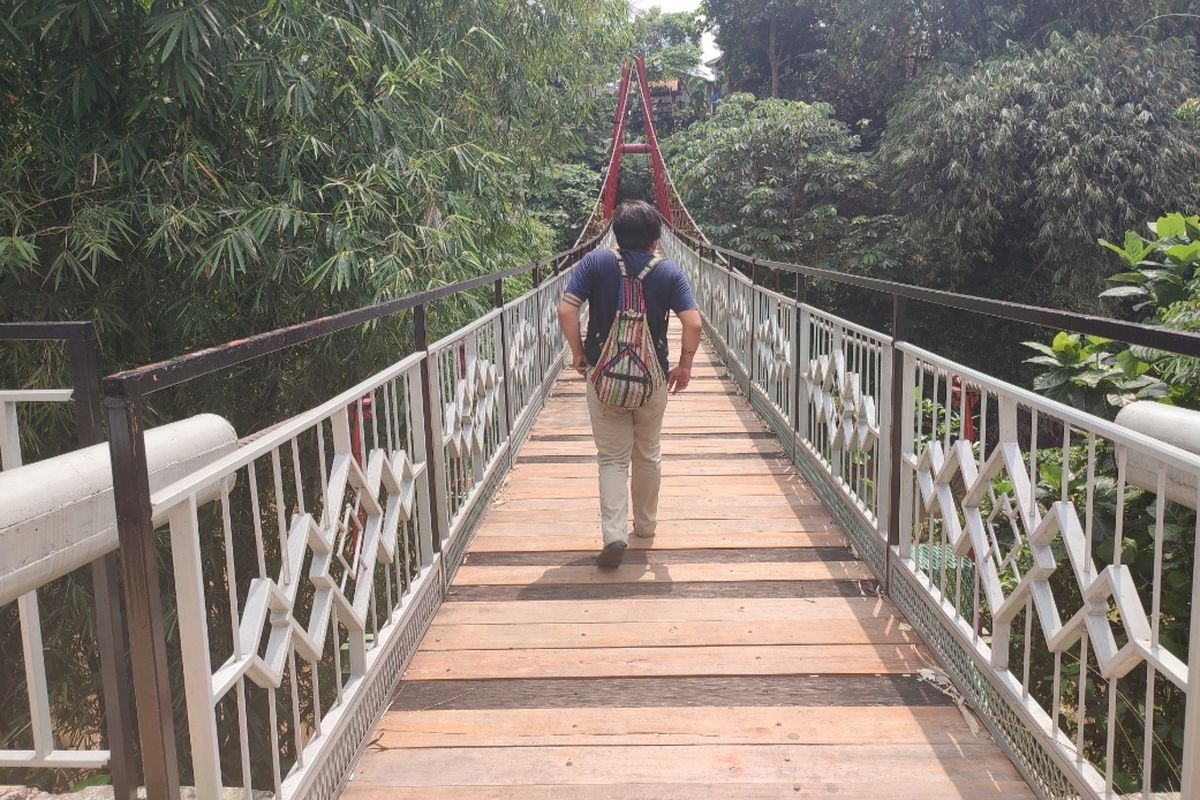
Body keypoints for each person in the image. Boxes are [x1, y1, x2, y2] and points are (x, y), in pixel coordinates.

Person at [557, 200, 703, 568]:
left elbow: (566, 309)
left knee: (612, 458)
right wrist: (684, 366)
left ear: (616, 235)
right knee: (648, 451)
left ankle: (614, 535)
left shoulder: (595, 262)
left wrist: (578, 353)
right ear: (657, 238)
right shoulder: (669, 272)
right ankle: (647, 527)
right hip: (652, 381)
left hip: (604, 378)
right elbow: (694, 324)